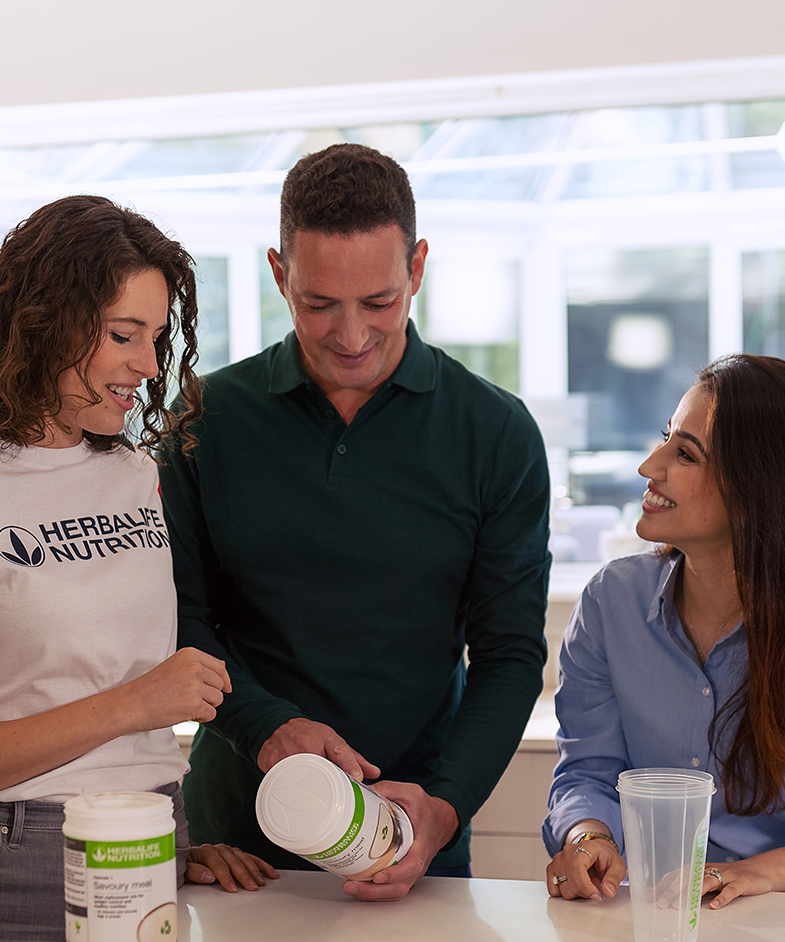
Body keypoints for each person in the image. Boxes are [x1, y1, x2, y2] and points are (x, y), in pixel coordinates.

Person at [0, 195, 276, 942]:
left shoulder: (130, 471)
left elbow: (114, 695)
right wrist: (135, 704)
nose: (148, 364)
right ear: (41, 322)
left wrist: (166, 838)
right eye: (124, 335)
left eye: (155, 337)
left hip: (144, 850)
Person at [160, 144, 551, 900]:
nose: (349, 335)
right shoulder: (205, 419)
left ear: (417, 268)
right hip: (240, 841)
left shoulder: (494, 431)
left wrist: (442, 809)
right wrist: (264, 724)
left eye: (377, 302)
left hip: (415, 825)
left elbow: (506, 655)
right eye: (317, 304)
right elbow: (176, 616)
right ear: (279, 273)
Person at [544, 354, 785, 907]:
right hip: (648, 919)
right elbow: (587, 772)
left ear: (759, 491)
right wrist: (588, 838)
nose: (650, 466)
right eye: (665, 438)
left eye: (685, 454)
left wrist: (756, 873)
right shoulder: (612, 603)